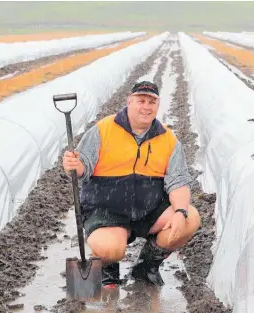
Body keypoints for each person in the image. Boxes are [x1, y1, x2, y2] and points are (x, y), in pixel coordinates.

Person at [62, 80, 201, 288]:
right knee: (110, 249)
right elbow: (83, 167)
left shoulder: (168, 139)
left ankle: (147, 265)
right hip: (106, 209)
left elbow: (178, 181)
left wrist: (180, 211)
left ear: (157, 105)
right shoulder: (104, 130)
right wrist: (74, 165)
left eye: (152, 102)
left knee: (190, 218)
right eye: (141, 100)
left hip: (149, 210)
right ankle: (108, 266)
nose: (146, 106)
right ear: (129, 101)